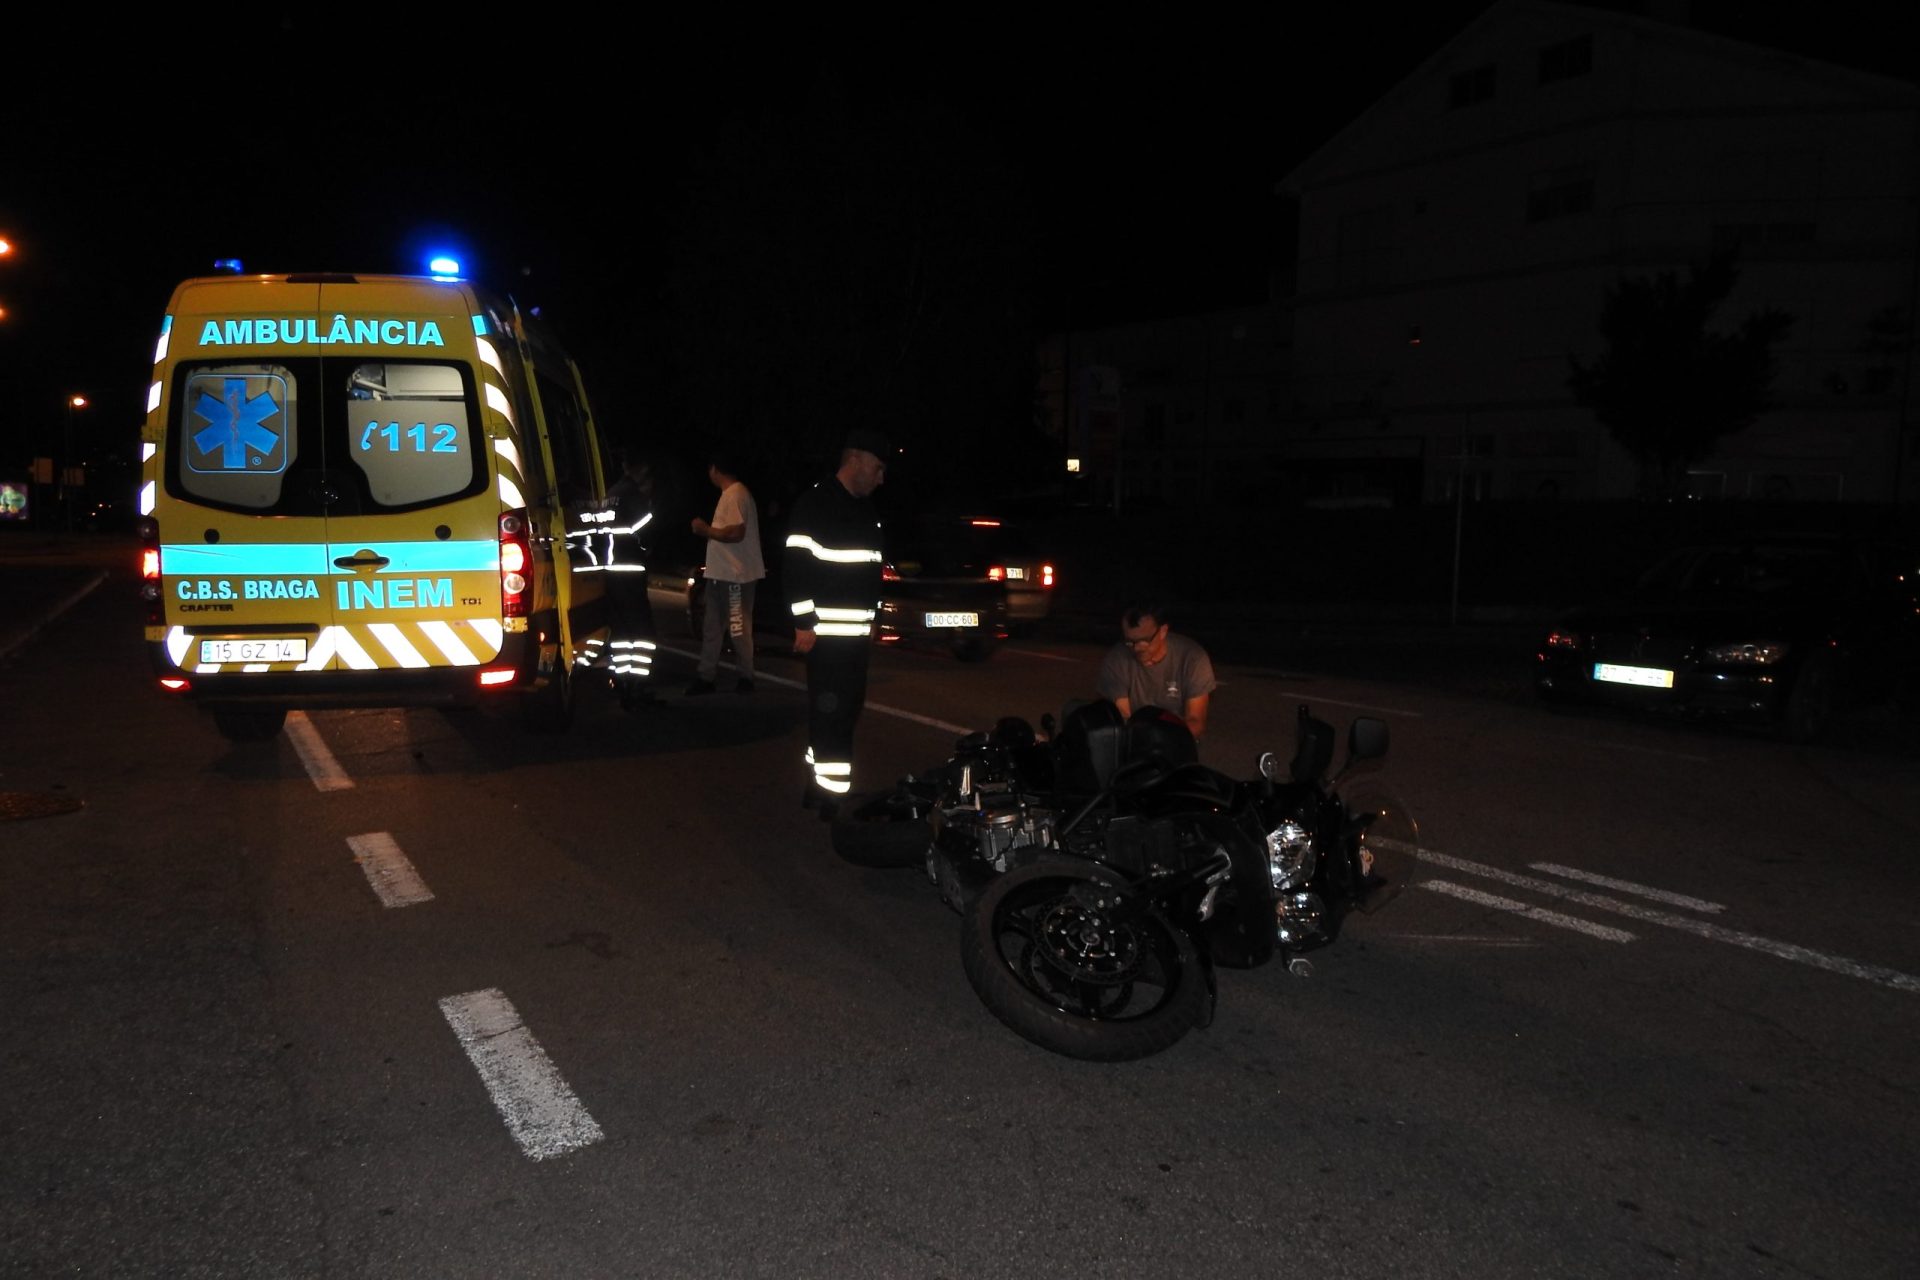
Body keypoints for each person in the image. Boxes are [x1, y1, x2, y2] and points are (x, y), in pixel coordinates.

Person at [784, 430, 891, 819]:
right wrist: (803, 623)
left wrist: (875, 616)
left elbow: (870, 569)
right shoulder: (815, 504)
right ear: (857, 460)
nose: (882, 479)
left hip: (855, 635)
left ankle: (817, 785)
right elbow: (797, 567)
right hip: (826, 634)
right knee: (836, 713)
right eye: (878, 469)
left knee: (836, 711)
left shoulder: (865, 510)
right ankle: (834, 798)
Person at [686, 452, 764, 694]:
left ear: (715, 469)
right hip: (723, 575)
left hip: (734, 576)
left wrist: (705, 530)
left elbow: (736, 533)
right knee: (713, 627)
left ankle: (745, 677)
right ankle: (706, 676)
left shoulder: (735, 494)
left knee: (737, 627)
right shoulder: (734, 494)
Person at [1097, 599, 1217, 740]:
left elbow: (1196, 721)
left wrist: (1162, 740)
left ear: (1163, 631)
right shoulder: (1117, 659)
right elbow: (1123, 717)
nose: (1137, 648)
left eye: (1144, 640)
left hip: (1177, 738)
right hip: (1135, 739)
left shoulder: (1192, 658)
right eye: (1130, 641)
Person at [600, 450, 660, 707]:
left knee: (621, 631)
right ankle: (639, 687)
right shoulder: (631, 494)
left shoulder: (610, 493)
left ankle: (622, 681)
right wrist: (649, 546)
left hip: (610, 569)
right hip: (630, 569)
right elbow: (645, 529)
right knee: (642, 632)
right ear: (642, 469)